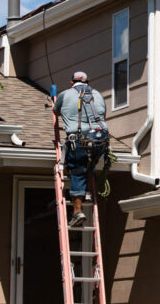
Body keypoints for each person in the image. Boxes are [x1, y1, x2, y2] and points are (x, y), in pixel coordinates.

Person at [52, 71, 108, 227]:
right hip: (100, 140)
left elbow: (55, 111)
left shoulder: (64, 94)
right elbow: (104, 116)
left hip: (78, 140)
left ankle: (77, 212)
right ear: (87, 82)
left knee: (77, 171)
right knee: (88, 166)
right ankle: (87, 190)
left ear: (72, 83)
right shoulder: (98, 95)